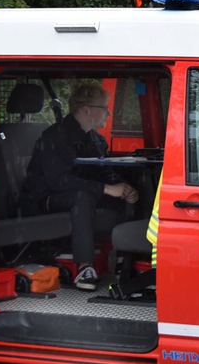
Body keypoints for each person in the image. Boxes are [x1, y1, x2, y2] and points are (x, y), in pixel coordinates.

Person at [20, 83, 139, 290]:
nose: (109, 113)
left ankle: (125, 263)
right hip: (43, 199)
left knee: (124, 195)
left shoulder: (97, 140)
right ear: (86, 109)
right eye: (104, 107)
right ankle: (84, 268)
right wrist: (106, 189)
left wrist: (123, 187)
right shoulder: (54, 136)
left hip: (80, 196)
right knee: (83, 197)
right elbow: (58, 181)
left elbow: (102, 170)